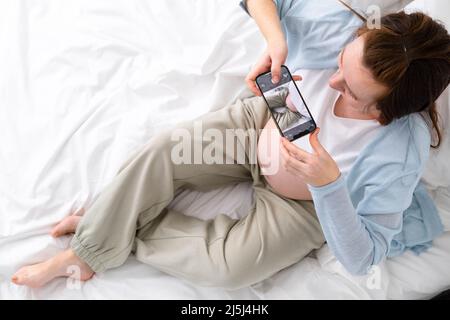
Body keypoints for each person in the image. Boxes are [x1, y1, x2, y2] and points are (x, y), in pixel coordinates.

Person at [12, 0, 449, 289]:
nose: (333, 84)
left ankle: (115, 228)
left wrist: (329, 185)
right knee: (167, 149)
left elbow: (363, 257)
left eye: (351, 91)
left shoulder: (398, 151)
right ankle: (89, 250)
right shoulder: (348, 31)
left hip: (303, 204)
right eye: (339, 65)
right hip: (271, 120)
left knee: (230, 269)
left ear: (386, 112)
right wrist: (276, 43)